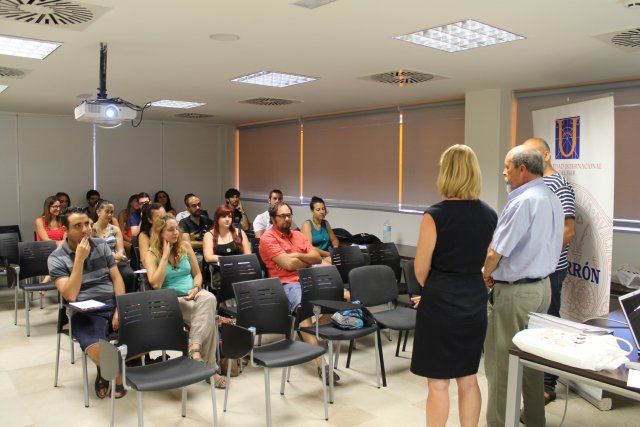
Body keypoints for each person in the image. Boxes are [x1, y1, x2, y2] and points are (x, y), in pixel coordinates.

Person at [409, 145, 497, 427]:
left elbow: (421, 269)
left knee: (438, 384)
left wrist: (436, 292)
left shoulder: (435, 215)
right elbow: (487, 260)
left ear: (445, 173)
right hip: (473, 301)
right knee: (469, 379)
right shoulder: (489, 214)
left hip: (440, 305)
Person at [482, 145, 564, 427]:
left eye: (507, 167)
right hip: (543, 290)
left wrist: (485, 273)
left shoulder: (522, 201)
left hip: (517, 293)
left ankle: (499, 423)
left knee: (501, 365)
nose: (503, 172)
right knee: (531, 362)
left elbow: (496, 252)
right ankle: (533, 419)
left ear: (522, 169)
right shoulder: (552, 197)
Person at [47, 206, 127, 399]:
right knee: (97, 343)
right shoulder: (56, 259)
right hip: (85, 310)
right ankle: (115, 375)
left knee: (149, 330)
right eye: (77, 226)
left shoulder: (100, 245)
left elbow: (116, 278)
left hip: (112, 303)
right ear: (65, 230)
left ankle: (108, 365)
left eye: (87, 224)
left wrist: (120, 308)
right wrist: (79, 261)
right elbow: (71, 295)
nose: (85, 230)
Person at [258, 201, 338, 384]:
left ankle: (309, 335)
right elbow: (288, 265)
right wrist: (303, 259)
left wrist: (297, 256)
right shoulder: (267, 238)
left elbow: (317, 257)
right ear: (273, 218)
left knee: (338, 296)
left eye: (289, 215)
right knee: (304, 309)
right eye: (282, 216)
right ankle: (321, 364)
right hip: (285, 284)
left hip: (309, 279)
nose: (287, 219)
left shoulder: (297, 235)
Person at [523, 137, 576, 404]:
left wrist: (544, 256)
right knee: (535, 324)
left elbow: (567, 231)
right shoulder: (537, 184)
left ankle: (547, 386)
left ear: (546, 155)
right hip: (535, 268)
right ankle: (534, 379)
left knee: (548, 323)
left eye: (530, 153)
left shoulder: (559, 185)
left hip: (552, 269)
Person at [145, 214, 226, 388]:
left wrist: (196, 288)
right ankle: (210, 369)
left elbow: (197, 275)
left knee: (209, 297)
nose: (176, 233)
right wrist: (165, 256)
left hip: (193, 294)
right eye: (171, 229)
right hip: (171, 300)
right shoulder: (151, 253)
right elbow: (155, 284)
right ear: (160, 233)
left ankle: (194, 348)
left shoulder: (185, 246)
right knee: (209, 319)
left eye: (177, 229)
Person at [92, 200, 136, 293]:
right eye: (107, 212)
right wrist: (114, 256)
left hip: (116, 262)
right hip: (98, 262)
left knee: (128, 274)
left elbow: (120, 251)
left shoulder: (115, 229)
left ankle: (126, 302)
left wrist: (115, 259)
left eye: (111, 212)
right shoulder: (91, 229)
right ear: (98, 212)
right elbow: (94, 252)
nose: (109, 215)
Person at [179, 193, 213, 268]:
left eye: (199, 204)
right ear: (187, 208)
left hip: (208, 251)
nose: (198, 207)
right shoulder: (183, 222)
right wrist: (207, 243)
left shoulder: (207, 220)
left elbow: (215, 237)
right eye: (194, 206)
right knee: (199, 258)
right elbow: (187, 244)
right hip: (194, 253)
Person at [300, 196, 339, 261]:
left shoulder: (326, 223)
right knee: (335, 263)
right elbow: (309, 248)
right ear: (312, 211)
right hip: (314, 257)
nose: (322, 212)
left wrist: (335, 249)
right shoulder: (307, 224)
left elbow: (334, 240)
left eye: (323, 209)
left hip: (327, 256)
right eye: (318, 210)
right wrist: (329, 254)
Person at [137, 202, 166, 268]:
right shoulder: (144, 235)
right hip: (153, 269)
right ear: (150, 220)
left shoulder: (172, 231)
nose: (163, 220)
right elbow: (145, 261)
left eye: (164, 216)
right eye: (159, 217)